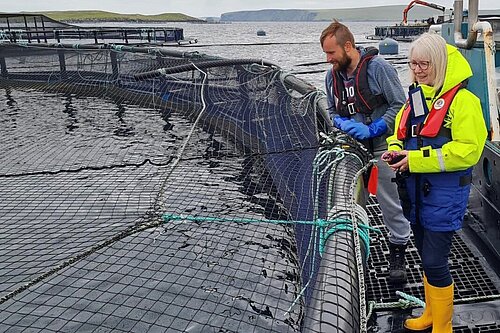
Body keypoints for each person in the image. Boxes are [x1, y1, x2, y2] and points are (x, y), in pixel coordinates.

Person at [384, 33, 487, 332]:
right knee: (424, 255)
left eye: (423, 64)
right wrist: (394, 147)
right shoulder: (414, 97)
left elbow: (468, 151)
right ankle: (431, 313)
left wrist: (415, 160)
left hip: (443, 197)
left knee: (434, 260)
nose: (416, 70)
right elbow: (399, 132)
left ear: (439, 63)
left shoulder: (464, 102)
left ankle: (444, 326)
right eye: (412, 63)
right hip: (415, 194)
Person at [320, 20, 411, 283]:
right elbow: (331, 110)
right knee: (350, 201)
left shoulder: (379, 68)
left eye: (331, 53)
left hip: (382, 146)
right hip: (352, 149)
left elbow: (401, 105)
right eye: (325, 54)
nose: (328, 59)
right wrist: (339, 123)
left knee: (389, 202)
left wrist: (378, 127)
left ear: (348, 46)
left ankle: (398, 249)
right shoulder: (331, 77)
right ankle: (357, 249)